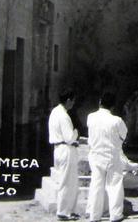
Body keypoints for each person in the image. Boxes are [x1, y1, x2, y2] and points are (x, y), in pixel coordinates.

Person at [85, 91, 136, 222]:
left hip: (96, 155)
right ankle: (115, 215)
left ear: (100, 103)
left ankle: (94, 216)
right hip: (112, 156)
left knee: (96, 185)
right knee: (114, 186)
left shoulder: (90, 117)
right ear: (113, 106)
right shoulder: (116, 121)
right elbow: (124, 135)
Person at [48, 87, 81, 221]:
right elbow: (69, 137)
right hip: (65, 148)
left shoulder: (55, 112)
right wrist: (77, 132)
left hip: (58, 149)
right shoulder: (64, 116)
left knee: (71, 182)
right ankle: (62, 212)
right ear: (68, 100)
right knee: (67, 182)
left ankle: (70, 210)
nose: (73, 104)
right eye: (73, 101)